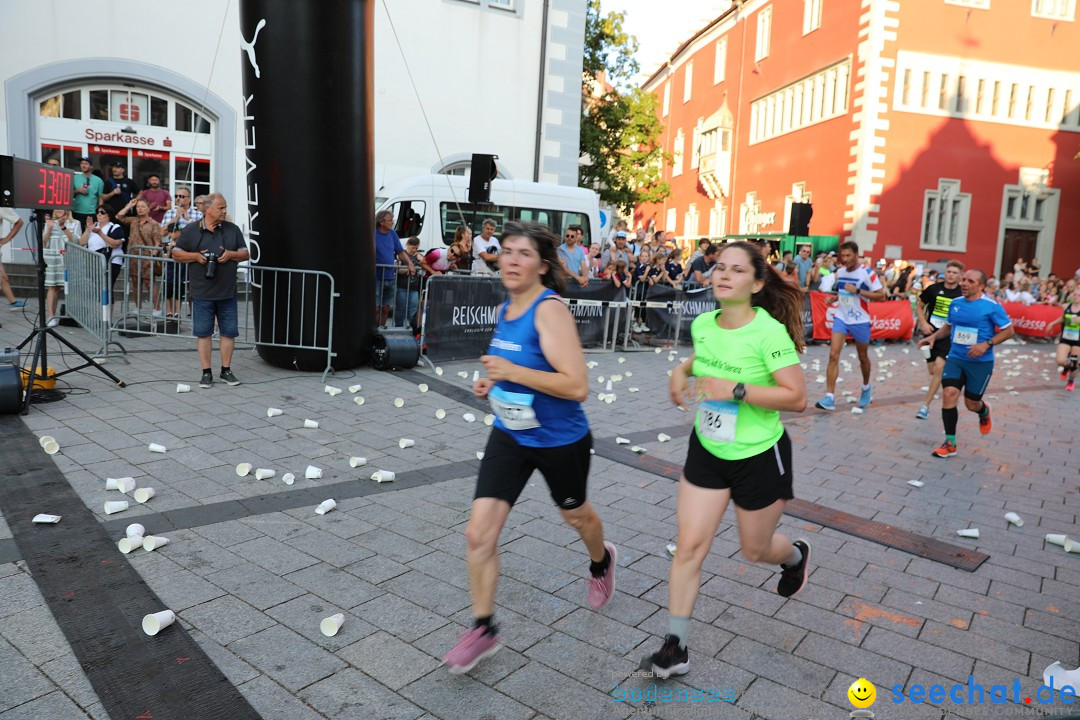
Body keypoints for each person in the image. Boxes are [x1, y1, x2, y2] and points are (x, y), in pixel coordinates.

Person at [442, 220, 616, 674]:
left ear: (542, 266)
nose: (512, 260)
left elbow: (576, 385)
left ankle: (602, 560)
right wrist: (491, 382)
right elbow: (512, 368)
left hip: (561, 441)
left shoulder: (549, 310)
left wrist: (512, 373)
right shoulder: (507, 309)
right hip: (511, 434)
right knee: (478, 533)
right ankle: (483, 628)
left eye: (524, 253)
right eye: (507, 251)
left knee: (575, 515)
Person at [645, 240, 809, 679]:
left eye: (737, 271)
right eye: (720, 267)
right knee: (689, 548)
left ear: (756, 284)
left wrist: (736, 390)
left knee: (755, 550)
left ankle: (793, 557)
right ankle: (675, 646)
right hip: (709, 449)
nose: (723, 275)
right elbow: (706, 360)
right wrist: (682, 371)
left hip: (759, 455)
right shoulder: (704, 323)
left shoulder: (769, 332)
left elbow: (797, 398)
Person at [918, 270, 1014, 458]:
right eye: (964, 280)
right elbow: (948, 327)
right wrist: (933, 337)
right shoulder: (955, 304)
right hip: (956, 358)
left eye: (970, 281)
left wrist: (986, 344)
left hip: (980, 362)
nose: (964, 283)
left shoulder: (991, 306)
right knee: (949, 393)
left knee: (971, 403)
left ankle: (983, 410)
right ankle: (950, 443)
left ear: (981, 286)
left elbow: (1008, 331)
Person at [171, 194, 250, 388]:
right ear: (208, 210)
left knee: (229, 333)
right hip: (202, 292)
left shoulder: (232, 229)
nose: (224, 211)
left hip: (227, 291)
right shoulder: (191, 230)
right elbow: (176, 253)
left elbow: (246, 253)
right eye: (221, 208)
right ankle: (206, 372)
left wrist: (231, 254)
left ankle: (226, 370)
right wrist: (196, 257)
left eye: (225, 207)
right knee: (204, 333)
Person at [815, 241, 885, 411]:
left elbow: (881, 296)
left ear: (856, 254)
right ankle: (829, 397)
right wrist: (834, 298)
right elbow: (843, 292)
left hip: (860, 320)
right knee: (833, 354)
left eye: (848, 256)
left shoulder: (867, 273)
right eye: (843, 256)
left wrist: (858, 291)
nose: (845, 259)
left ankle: (866, 386)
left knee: (862, 357)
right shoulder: (840, 271)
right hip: (842, 317)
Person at [915, 260, 964, 420]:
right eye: (949, 271)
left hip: (949, 336)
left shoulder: (962, 293)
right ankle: (949, 385)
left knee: (939, 367)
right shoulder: (934, 288)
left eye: (954, 272)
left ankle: (925, 406)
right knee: (932, 370)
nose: (951, 275)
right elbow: (919, 304)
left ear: (960, 276)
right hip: (930, 334)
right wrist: (923, 323)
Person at [117, 198, 165, 317]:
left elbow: (157, 242)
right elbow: (119, 216)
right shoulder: (133, 220)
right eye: (138, 206)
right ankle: (138, 307)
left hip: (147, 257)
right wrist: (129, 205)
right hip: (133, 256)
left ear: (149, 209)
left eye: (143, 206)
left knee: (150, 283)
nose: (140, 208)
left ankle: (157, 308)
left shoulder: (153, 224)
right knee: (135, 282)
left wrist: (152, 257)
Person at [160, 188, 203, 319]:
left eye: (182, 196)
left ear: (189, 199)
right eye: (177, 196)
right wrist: (174, 219)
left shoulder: (197, 214)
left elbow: (202, 232)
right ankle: (171, 312)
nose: (179, 198)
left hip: (190, 254)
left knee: (190, 285)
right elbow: (161, 233)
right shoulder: (169, 213)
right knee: (170, 282)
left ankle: (194, 313)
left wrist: (187, 218)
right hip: (172, 252)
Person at [374, 209, 415, 326]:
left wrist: (410, 263)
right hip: (376, 277)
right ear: (381, 222)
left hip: (389, 277)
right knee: (375, 308)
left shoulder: (392, 234)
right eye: (390, 220)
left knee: (386, 308)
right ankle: (372, 331)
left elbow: (400, 252)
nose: (392, 222)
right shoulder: (373, 233)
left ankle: (380, 332)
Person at [40, 210, 80, 326]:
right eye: (56, 207)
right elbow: (44, 242)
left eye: (61, 208)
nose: (58, 210)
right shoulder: (49, 223)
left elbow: (76, 240)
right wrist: (49, 228)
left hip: (70, 259)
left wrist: (63, 227)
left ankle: (74, 316)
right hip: (53, 259)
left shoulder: (75, 223)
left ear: (67, 211)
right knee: (53, 287)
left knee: (70, 287)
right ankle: (51, 316)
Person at [79, 206, 125, 299]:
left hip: (111, 262)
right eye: (97, 212)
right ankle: (101, 311)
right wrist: (88, 229)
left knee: (107, 287)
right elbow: (82, 242)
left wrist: (100, 233)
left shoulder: (115, 227)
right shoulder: (93, 227)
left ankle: (107, 312)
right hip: (94, 262)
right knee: (98, 288)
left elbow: (114, 244)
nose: (99, 214)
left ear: (109, 215)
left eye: (102, 212)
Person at [1048, 286, 1080, 391]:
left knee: (1075, 363)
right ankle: (1066, 367)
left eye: (1079, 295)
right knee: (1060, 361)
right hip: (1065, 338)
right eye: (1075, 294)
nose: (1076, 296)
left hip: (1078, 341)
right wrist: (1052, 323)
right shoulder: (1067, 306)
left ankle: (1071, 380)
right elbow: (1062, 318)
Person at [395, 236, 426, 331]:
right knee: (401, 309)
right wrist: (408, 269)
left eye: (416, 248)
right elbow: (398, 270)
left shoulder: (418, 256)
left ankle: (412, 328)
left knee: (413, 309)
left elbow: (426, 264)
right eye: (413, 247)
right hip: (402, 286)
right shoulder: (402, 255)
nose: (414, 250)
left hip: (414, 287)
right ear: (407, 245)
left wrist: (420, 258)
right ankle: (398, 328)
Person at [0, 207, 27, 308]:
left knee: (3, 277)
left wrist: (6, 239)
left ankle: (13, 302)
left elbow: (19, 222)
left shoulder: (2, 207)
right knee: (3, 277)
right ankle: (13, 302)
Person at [72, 157, 105, 230]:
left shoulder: (98, 180)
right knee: (77, 234)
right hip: (76, 211)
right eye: (82, 163)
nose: (83, 165)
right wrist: (77, 191)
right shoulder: (74, 178)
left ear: (91, 166)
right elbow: (67, 194)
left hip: (92, 213)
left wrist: (99, 213)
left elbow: (101, 198)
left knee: (91, 235)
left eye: (86, 164)